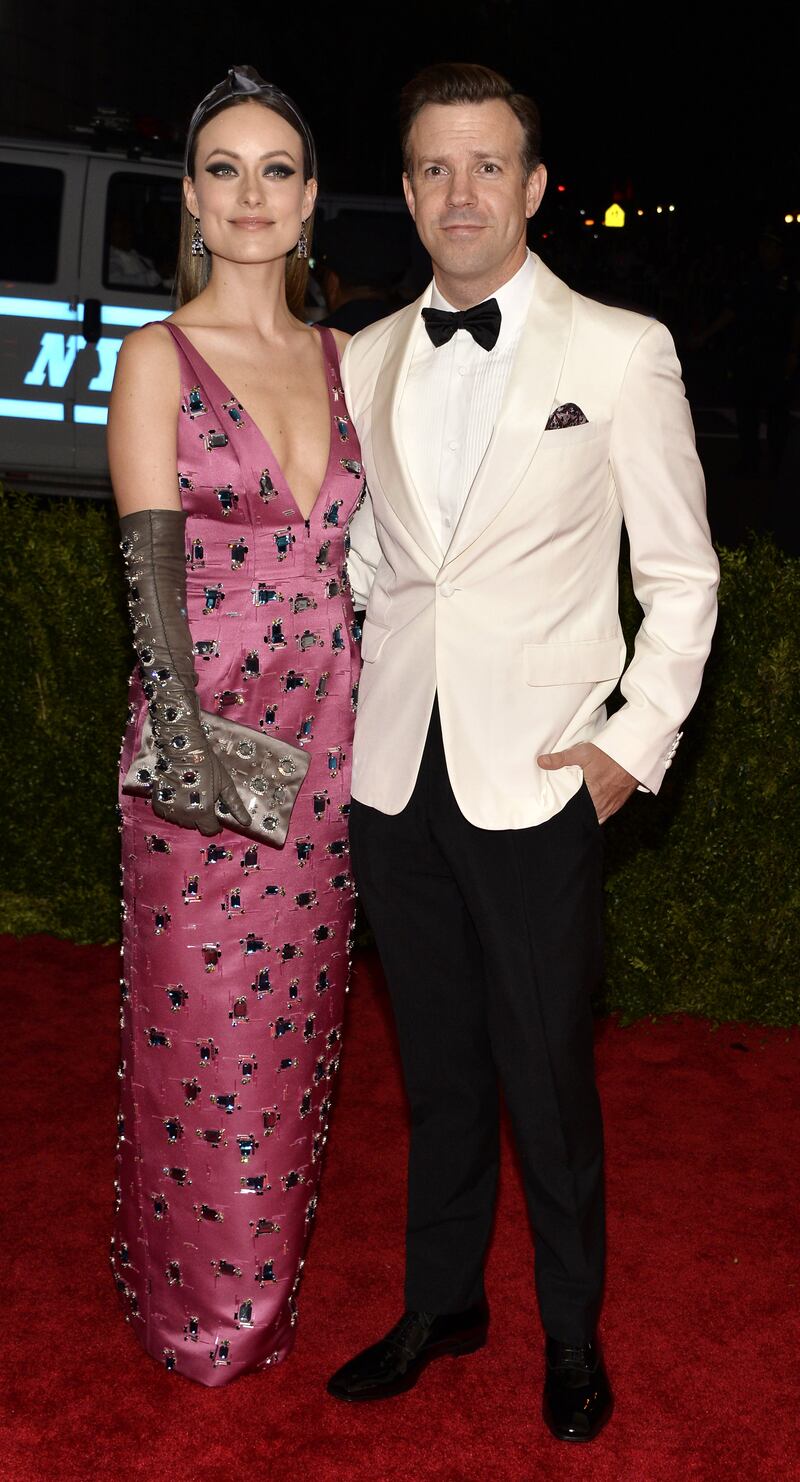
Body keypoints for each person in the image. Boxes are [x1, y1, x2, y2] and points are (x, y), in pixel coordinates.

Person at [327, 63, 719, 1442]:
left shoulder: (620, 349)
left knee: (548, 1081)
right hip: (396, 775)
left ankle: (570, 1332)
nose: (460, 193)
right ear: (411, 187)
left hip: (545, 773)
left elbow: (684, 576)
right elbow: (377, 567)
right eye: (434, 167)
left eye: (487, 165)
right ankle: (447, 1301)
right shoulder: (363, 356)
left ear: (538, 186)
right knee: (436, 1071)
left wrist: (633, 745)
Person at [108, 64, 363, 1386]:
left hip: (333, 753)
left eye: (278, 170)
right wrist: (196, 766)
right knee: (200, 1042)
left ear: (310, 202)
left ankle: (258, 1287)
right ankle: (203, 1313)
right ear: (193, 203)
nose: (251, 194)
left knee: (293, 1046)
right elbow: (147, 584)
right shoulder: (157, 359)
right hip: (206, 758)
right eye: (225, 169)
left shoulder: (343, 359)